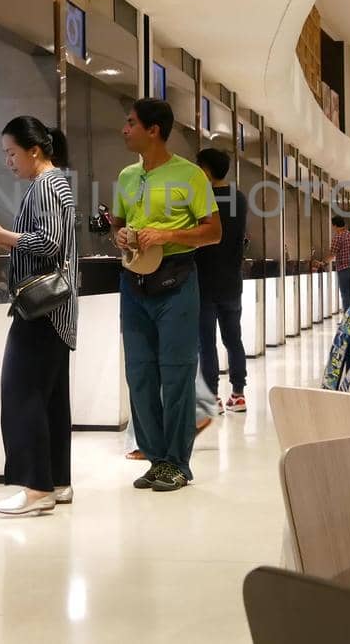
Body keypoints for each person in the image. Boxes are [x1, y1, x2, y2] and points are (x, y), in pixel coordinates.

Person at [111, 98, 221, 493]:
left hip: (176, 281)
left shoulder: (190, 175)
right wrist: (121, 235)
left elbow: (214, 231)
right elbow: (118, 226)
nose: (124, 130)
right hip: (133, 283)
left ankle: (177, 463)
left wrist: (169, 234)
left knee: (176, 375)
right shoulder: (126, 176)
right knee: (139, 374)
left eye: (130, 123)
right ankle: (156, 457)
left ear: (153, 130)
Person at [0, 116, 77, 515]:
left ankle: (36, 488)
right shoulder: (58, 183)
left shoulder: (47, 185)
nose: (9, 162)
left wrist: (3, 237)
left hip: (41, 309)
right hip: (56, 309)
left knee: (22, 393)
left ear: (35, 150)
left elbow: (48, 244)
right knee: (50, 398)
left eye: (12, 153)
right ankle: (58, 481)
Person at [194, 147, 249, 413]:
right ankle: (238, 393)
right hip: (232, 281)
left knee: (207, 343)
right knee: (233, 339)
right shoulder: (239, 198)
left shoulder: (202, 200)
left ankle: (211, 397)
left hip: (204, 282)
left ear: (206, 169)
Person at [330, 216, 350, 310]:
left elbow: (332, 255)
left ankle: (347, 317)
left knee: (345, 293)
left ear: (334, 225)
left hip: (343, 269)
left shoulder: (337, 237)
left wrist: (322, 262)